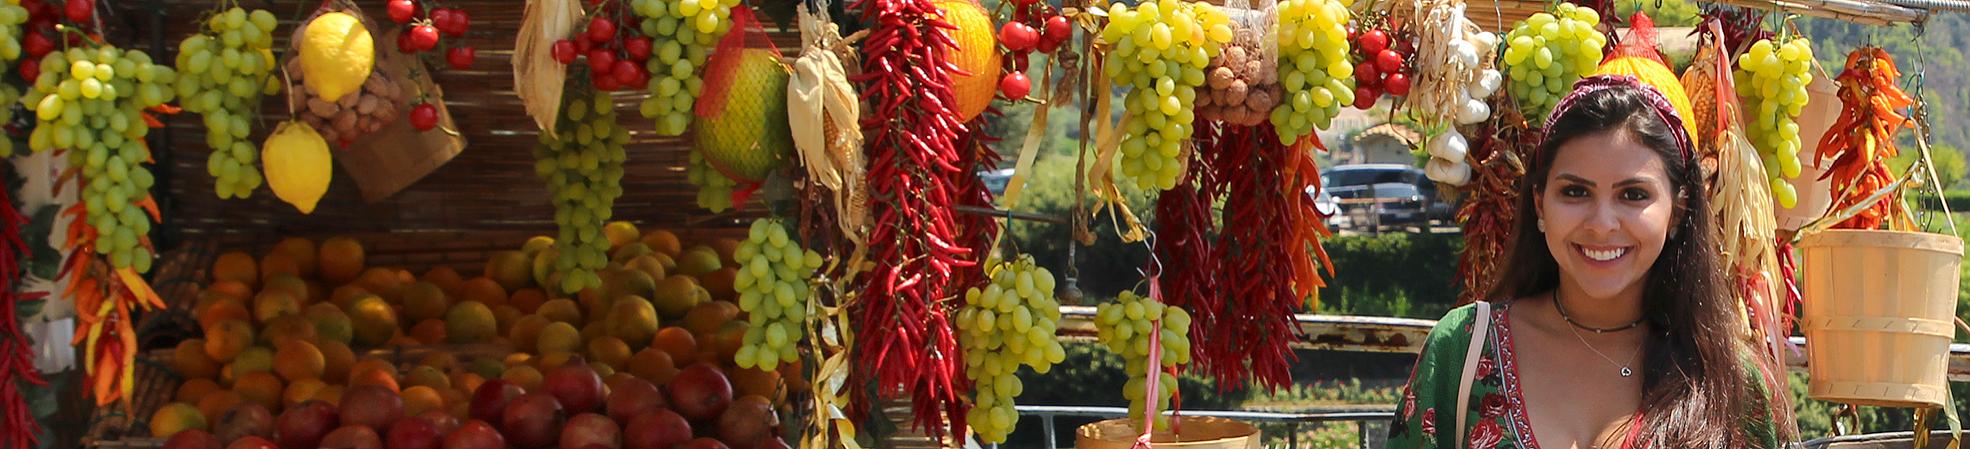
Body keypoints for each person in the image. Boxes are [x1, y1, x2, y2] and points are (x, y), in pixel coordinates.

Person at [1387, 75, 1793, 449]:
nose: (1601, 225)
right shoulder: (1463, 351)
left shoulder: (1730, 382)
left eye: (1633, 195)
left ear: (1678, 211)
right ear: (1539, 204)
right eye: (1575, 192)